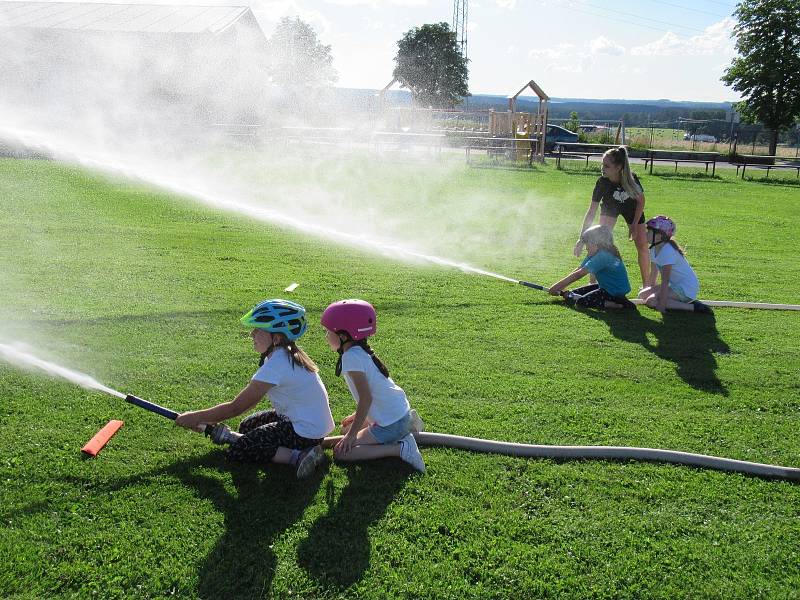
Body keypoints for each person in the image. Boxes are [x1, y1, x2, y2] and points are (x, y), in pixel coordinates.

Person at [175, 299, 335, 479]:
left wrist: (196, 417)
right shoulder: (286, 353)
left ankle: (298, 456)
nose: (252, 334)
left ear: (276, 338)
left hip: (304, 431)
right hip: (305, 424)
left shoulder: (278, 363)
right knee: (246, 427)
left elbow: (236, 407)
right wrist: (205, 421)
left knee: (240, 450)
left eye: (258, 329)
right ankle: (309, 447)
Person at [320, 299, 426, 473]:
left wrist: (352, 436)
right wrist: (356, 418)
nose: (326, 336)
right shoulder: (359, 351)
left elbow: (366, 398)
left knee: (341, 453)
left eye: (328, 332)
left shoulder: (351, 358)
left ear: (343, 336)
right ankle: (406, 424)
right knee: (345, 428)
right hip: (397, 411)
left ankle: (400, 448)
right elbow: (375, 391)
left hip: (390, 422)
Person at [574, 146, 650, 289]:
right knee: (599, 242)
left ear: (619, 167)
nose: (603, 168)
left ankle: (646, 285)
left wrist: (634, 224)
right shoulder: (602, 182)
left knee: (642, 246)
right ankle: (593, 283)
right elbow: (591, 211)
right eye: (602, 164)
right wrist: (582, 239)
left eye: (607, 166)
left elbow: (641, 201)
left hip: (632, 210)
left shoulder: (631, 179)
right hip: (610, 208)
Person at [638, 215, 712, 314]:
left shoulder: (667, 251)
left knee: (651, 302)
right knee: (642, 294)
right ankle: (668, 300)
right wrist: (651, 290)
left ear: (660, 235)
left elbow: (665, 281)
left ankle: (694, 307)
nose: (646, 234)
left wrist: (661, 306)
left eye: (649, 232)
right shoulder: (653, 248)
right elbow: (654, 274)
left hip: (686, 288)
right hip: (675, 286)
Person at [550, 225, 635, 309]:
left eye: (587, 244)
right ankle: (615, 301)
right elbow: (579, 269)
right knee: (572, 294)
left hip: (614, 291)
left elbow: (579, 274)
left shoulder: (602, 256)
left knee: (581, 302)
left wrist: (556, 287)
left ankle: (617, 304)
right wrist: (562, 287)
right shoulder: (594, 253)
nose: (586, 248)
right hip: (605, 287)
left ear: (596, 244)